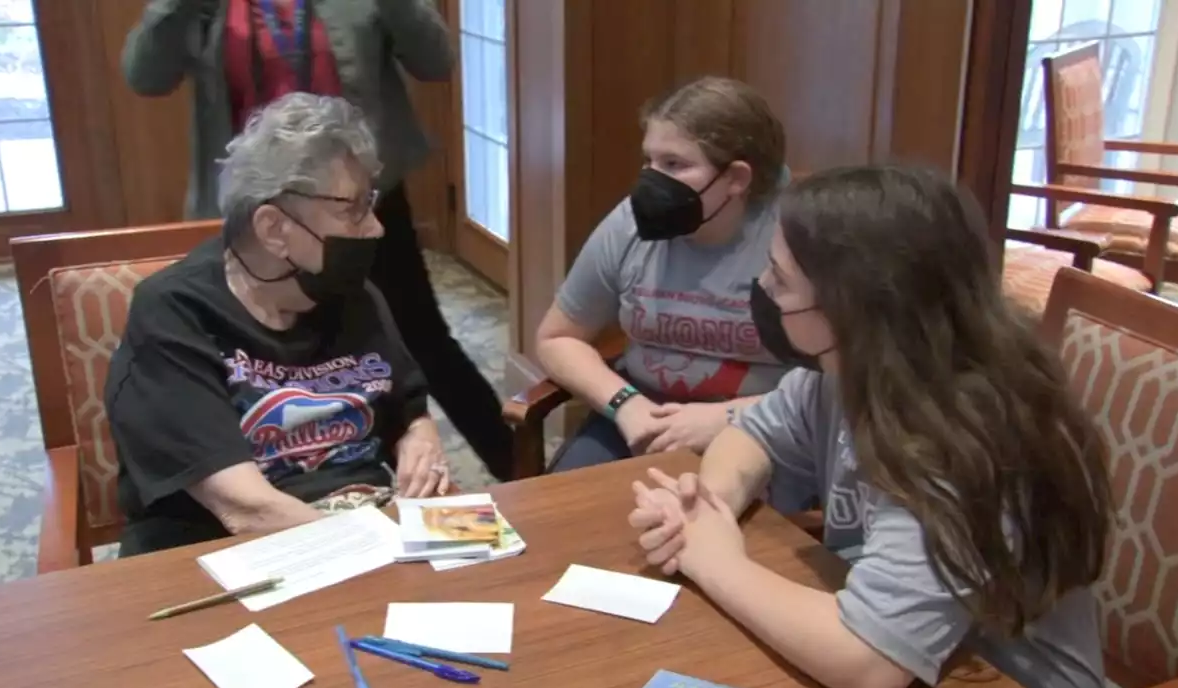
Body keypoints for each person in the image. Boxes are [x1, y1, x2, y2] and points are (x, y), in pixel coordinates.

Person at [629, 165, 1113, 688]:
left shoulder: (956, 443)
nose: (761, 290)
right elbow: (752, 439)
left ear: (853, 307)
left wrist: (715, 561)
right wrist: (706, 507)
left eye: (780, 279)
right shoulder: (845, 373)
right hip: (922, 662)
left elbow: (868, 664)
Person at [122, 0, 514, 481]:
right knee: (252, 353)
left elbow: (436, 61)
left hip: (355, 202)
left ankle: (520, 472)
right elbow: (145, 76)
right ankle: (272, 477)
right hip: (258, 209)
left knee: (423, 342)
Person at [106, 93, 452, 556]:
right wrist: (380, 552)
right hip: (223, 554)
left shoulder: (351, 294)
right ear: (273, 228)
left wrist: (420, 442)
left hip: (362, 527)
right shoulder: (176, 313)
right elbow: (246, 510)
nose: (375, 228)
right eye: (352, 209)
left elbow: (408, 408)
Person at [536, 76, 799, 481]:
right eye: (649, 161)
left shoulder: (797, 237)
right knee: (563, 520)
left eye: (674, 164)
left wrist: (726, 417)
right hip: (643, 412)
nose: (651, 181)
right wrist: (626, 404)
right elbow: (558, 337)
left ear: (737, 179)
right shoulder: (628, 224)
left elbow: (843, 386)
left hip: (765, 421)